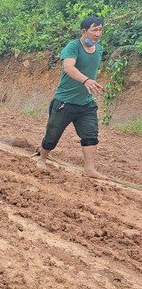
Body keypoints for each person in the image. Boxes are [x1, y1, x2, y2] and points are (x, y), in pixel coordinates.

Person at [36, 15, 106, 179]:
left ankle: (90, 169)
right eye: (94, 30)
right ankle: (42, 158)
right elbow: (68, 67)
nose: (98, 33)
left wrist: (89, 82)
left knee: (90, 136)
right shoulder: (73, 47)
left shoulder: (99, 49)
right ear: (84, 31)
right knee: (52, 136)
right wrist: (86, 80)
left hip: (86, 103)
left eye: (100, 30)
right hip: (65, 102)